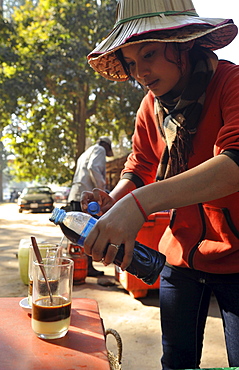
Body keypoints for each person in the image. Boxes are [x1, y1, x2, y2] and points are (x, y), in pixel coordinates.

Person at [81, 0, 239, 368]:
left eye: (149, 54)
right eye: (132, 63)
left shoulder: (231, 84)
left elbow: (234, 164)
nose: (141, 72)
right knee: (175, 362)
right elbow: (139, 168)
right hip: (179, 259)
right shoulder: (149, 109)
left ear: (183, 43)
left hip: (236, 261)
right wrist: (115, 199)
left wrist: (137, 205)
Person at [68, 136, 113, 277]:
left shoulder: (86, 152)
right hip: (87, 198)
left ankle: (81, 267)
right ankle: (87, 268)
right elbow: (93, 167)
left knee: (78, 234)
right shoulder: (99, 150)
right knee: (87, 233)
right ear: (105, 146)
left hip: (76, 195)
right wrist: (102, 191)